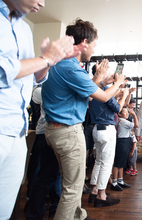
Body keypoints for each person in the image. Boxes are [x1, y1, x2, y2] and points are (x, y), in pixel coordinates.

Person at [0, 1, 87, 218]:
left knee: (5, 209)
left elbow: (33, 80)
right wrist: (46, 58)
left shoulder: (24, 29)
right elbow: (4, 72)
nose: (42, 2)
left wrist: (50, 60)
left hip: (17, 131)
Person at [42, 19, 125, 220]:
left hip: (55, 130)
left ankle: (79, 216)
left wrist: (98, 78)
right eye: (94, 45)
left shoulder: (61, 64)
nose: (94, 49)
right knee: (73, 189)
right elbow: (104, 97)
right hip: (68, 132)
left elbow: (85, 95)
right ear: (85, 43)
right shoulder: (72, 68)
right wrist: (119, 83)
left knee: (71, 182)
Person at [88, 82, 129, 207]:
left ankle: (94, 190)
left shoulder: (93, 89)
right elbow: (118, 108)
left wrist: (119, 93)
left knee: (99, 161)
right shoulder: (105, 90)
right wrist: (125, 94)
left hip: (96, 129)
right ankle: (101, 195)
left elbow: (109, 104)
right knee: (106, 163)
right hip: (107, 129)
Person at [26, 86, 62, 219]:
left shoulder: (46, 87)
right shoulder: (42, 89)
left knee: (50, 173)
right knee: (45, 174)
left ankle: (45, 207)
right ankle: (36, 208)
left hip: (47, 131)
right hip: (48, 131)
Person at [111, 107, 139, 191]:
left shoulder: (122, 121)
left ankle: (120, 181)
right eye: (125, 112)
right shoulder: (123, 122)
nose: (127, 114)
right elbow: (137, 125)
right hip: (122, 142)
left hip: (125, 142)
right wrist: (134, 114)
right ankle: (114, 182)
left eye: (128, 112)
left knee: (122, 162)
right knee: (117, 163)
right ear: (119, 114)